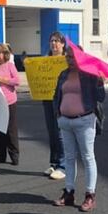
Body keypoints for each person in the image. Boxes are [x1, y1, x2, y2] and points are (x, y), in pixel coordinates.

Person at [51, 47, 106, 212]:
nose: (70, 60)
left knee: (88, 157)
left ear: (80, 57)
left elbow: (101, 98)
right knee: (69, 158)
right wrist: (58, 114)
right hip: (65, 122)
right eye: (67, 57)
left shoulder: (89, 75)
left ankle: (90, 195)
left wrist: (99, 84)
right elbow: (56, 95)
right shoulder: (63, 74)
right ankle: (69, 192)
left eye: (73, 57)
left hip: (84, 120)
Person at [0, 42, 20, 165]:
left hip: (10, 102)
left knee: (11, 130)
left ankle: (14, 156)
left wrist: (1, 80)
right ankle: (1, 156)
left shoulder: (10, 66)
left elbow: (17, 81)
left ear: (5, 54)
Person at [42, 32, 67, 181]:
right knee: (51, 131)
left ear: (63, 44)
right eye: (52, 41)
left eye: (57, 41)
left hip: (62, 100)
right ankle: (54, 162)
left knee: (60, 132)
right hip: (47, 97)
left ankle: (62, 166)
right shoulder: (45, 61)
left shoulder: (66, 60)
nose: (54, 44)